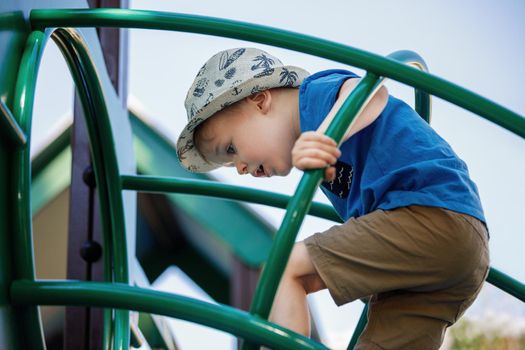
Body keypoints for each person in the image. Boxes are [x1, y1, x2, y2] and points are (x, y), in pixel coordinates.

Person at [176, 47, 490, 349]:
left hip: (432, 215)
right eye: (229, 164)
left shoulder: (312, 99)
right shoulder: (316, 152)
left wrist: (327, 133)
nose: (240, 168)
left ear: (260, 101)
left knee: (284, 266)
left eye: (231, 149)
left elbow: (371, 92)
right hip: (450, 258)